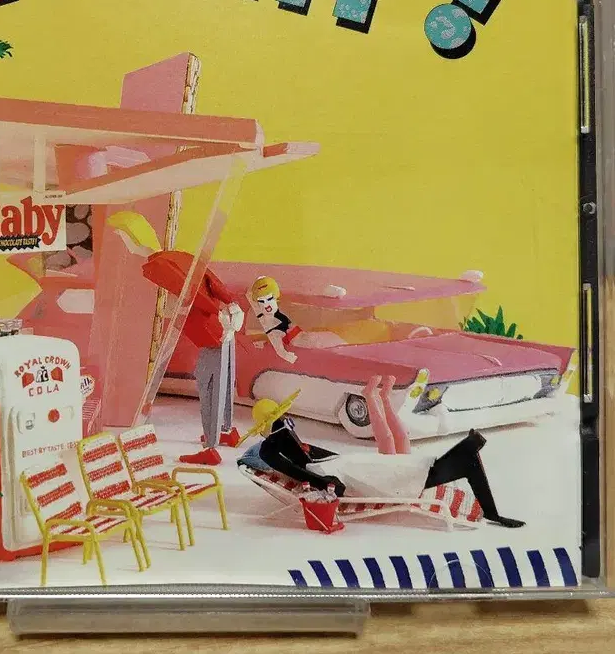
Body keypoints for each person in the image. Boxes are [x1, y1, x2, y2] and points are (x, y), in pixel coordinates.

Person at [239, 393, 524, 528]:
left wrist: (318, 455)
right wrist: (325, 481)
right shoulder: (269, 451)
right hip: (342, 476)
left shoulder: (285, 438)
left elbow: (314, 455)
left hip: (343, 464)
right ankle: (466, 458)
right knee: (401, 473)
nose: (288, 422)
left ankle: (468, 463)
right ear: (271, 426)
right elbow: (307, 475)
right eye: (281, 420)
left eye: (285, 418)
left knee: (398, 466)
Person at [108, 211, 243, 465]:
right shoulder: (179, 255)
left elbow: (187, 294)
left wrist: (209, 311)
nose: (125, 245)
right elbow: (210, 280)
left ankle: (211, 448)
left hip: (211, 332)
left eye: (123, 238)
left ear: (133, 238)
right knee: (224, 383)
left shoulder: (158, 265)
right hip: (224, 327)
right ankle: (226, 432)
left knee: (209, 387)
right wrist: (228, 303)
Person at [247, 275, 301, 364]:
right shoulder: (268, 322)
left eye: (269, 299)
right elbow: (280, 351)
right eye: (262, 301)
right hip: (297, 340)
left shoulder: (274, 316)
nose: (266, 304)